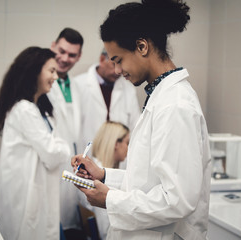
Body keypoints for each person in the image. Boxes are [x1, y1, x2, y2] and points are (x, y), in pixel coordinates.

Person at [72, 0, 211, 239]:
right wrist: (104, 175)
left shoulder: (175, 105)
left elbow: (176, 200)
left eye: (118, 59)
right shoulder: (160, 97)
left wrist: (110, 199)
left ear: (142, 46)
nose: (116, 70)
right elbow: (148, 180)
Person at [0, 47, 70, 240]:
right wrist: (63, 146)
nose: (55, 77)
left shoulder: (38, 110)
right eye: (51, 71)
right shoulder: (24, 110)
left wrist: (58, 146)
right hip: (26, 196)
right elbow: (52, 154)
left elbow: (52, 149)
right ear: (34, 71)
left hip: (38, 192)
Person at [48, 28, 86, 239]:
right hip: (51, 164)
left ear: (79, 57)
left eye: (72, 55)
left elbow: (75, 131)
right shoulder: (40, 82)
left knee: (67, 226)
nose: (64, 58)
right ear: (53, 45)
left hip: (70, 166)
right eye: (61, 51)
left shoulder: (76, 86)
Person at [74, 48, 140, 167]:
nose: (118, 70)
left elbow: (136, 128)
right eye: (114, 64)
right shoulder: (78, 85)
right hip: (87, 155)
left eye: (122, 65)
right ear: (101, 59)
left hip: (119, 162)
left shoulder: (128, 89)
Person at [79, 121, 130, 240]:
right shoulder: (96, 180)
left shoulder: (103, 170)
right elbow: (105, 229)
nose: (129, 148)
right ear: (116, 144)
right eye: (127, 143)